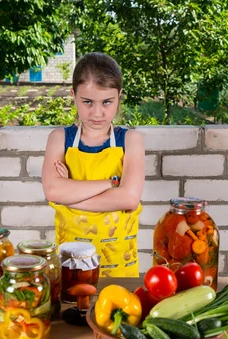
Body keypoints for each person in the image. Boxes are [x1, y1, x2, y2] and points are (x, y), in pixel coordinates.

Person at [42, 52, 145, 278]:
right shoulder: (59, 138)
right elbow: (52, 191)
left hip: (120, 264)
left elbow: (128, 198)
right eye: (87, 102)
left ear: (119, 96)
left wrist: (70, 193)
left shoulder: (131, 140)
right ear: (74, 95)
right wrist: (111, 184)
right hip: (71, 264)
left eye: (107, 102)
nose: (97, 113)